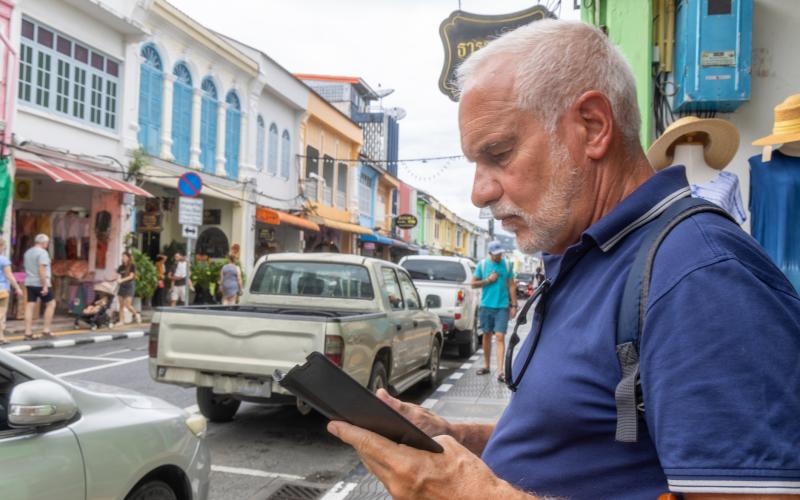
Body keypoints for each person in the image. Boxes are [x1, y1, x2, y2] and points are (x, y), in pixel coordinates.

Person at [326, 20, 800, 500]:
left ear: (592, 127)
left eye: (499, 153)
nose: (479, 192)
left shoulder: (701, 276)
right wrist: (454, 437)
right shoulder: (591, 254)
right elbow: (579, 442)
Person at [471, 241, 516, 381]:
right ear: (490, 253)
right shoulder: (482, 265)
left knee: (500, 336)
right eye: (496, 254)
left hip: (502, 306)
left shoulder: (507, 265)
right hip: (486, 306)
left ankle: (500, 371)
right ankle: (486, 365)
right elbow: (472, 284)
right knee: (486, 335)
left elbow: (511, 285)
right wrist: (488, 280)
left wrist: (513, 305)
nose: (499, 256)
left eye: (500, 253)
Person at [23, 234, 56, 340]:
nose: (47, 245)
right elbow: (42, 269)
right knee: (51, 304)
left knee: (30, 305)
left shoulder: (27, 252)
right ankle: (46, 330)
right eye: (47, 243)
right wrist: (45, 285)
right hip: (40, 283)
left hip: (29, 282)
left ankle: (28, 332)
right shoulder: (43, 253)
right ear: (43, 243)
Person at [0, 239, 23, 344]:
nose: (4, 248)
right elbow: (9, 275)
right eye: (4, 246)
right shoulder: (4, 260)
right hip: (2, 289)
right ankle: (0, 337)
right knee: (1, 314)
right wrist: (17, 287)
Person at [116, 251, 140, 324]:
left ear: (128, 258)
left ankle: (136, 314)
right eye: (122, 257)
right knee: (121, 305)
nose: (123, 258)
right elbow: (118, 275)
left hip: (129, 286)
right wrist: (116, 279)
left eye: (124, 257)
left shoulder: (132, 266)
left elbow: (131, 276)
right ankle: (121, 320)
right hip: (122, 286)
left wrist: (122, 280)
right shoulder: (121, 267)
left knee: (128, 305)